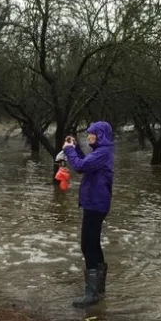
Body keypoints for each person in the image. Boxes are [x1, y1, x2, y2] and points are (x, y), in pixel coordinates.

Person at [62, 121, 114, 307]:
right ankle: (99, 289)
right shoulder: (102, 153)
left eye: (92, 134)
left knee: (87, 245)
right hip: (96, 203)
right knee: (94, 243)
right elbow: (85, 164)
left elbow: (80, 167)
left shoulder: (103, 152)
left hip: (95, 204)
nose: (89, 137)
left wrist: (68, 150)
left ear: (100, 135)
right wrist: (75, 148)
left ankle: (91, 294)